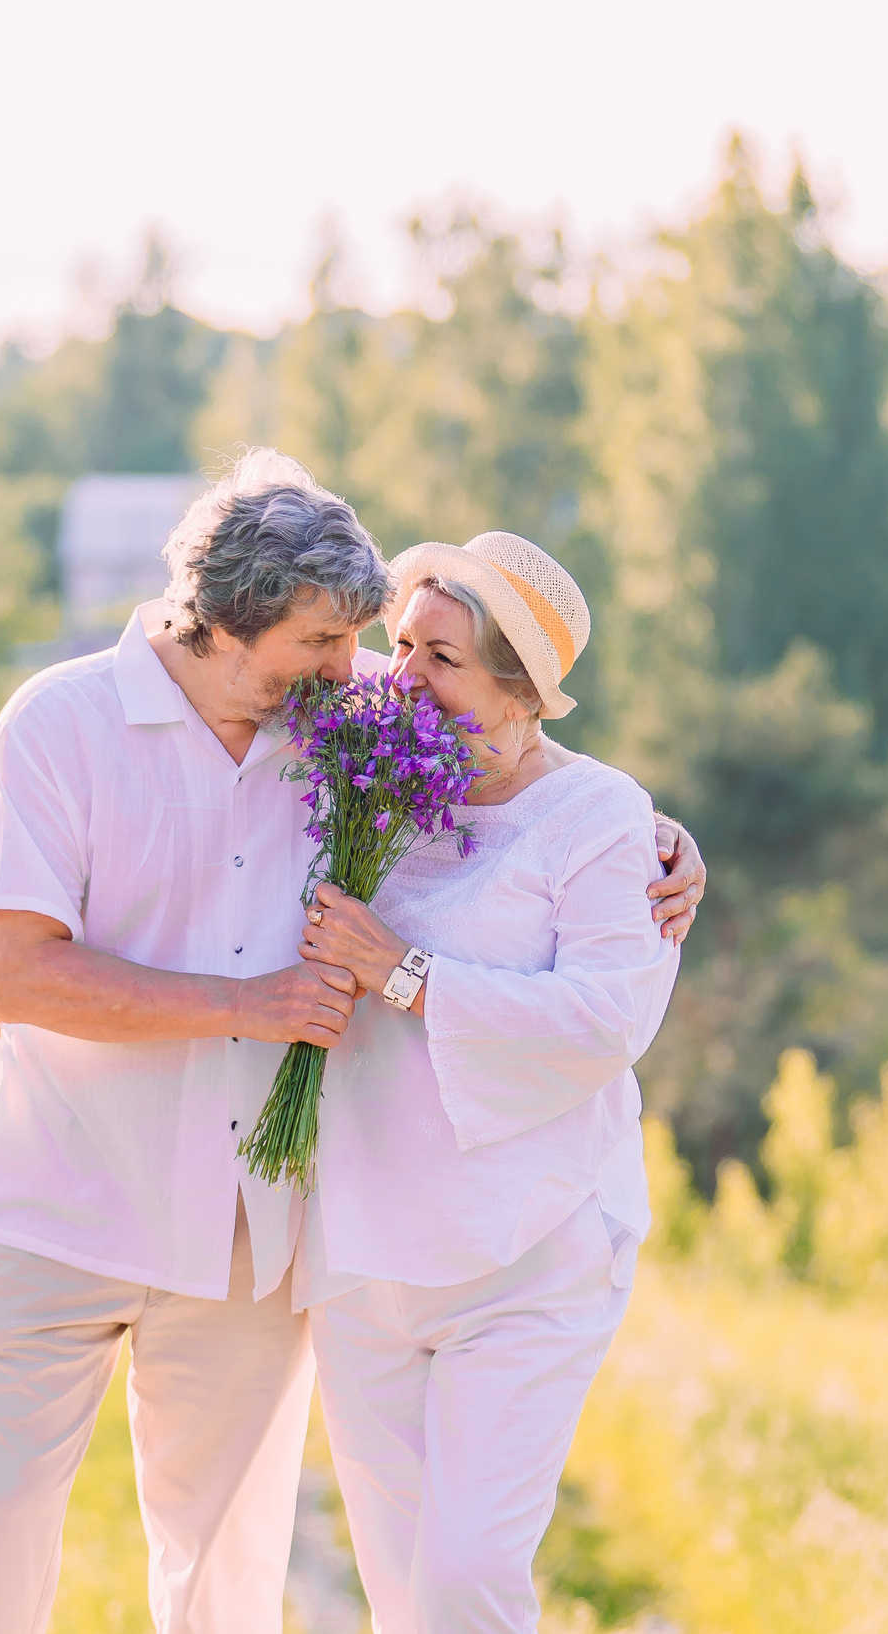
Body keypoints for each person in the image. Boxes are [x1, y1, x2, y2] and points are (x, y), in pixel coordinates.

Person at [0, 452, 705, 1634]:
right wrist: (258, 1002)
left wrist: (655, 840)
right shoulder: (58, 724)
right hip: (60, 1196)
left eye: (360, 640)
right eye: (328, 640)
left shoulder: (335, 715)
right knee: (0, 1512)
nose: (359, 669)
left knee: (224, 1569)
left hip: (246, 1229)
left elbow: (520, 756)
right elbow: (20, 975)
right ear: (229, 620)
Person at [293, 530, 678, 1634]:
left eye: (440, 656)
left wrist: (402, 972)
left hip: (527, 1253)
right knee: (399, 1592)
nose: (401, 672)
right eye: (402, 644)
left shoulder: (599, 816)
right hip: (365, 1250)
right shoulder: (380, 755)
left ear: (522, 695)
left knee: (465, 1580)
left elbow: (605, 1019)